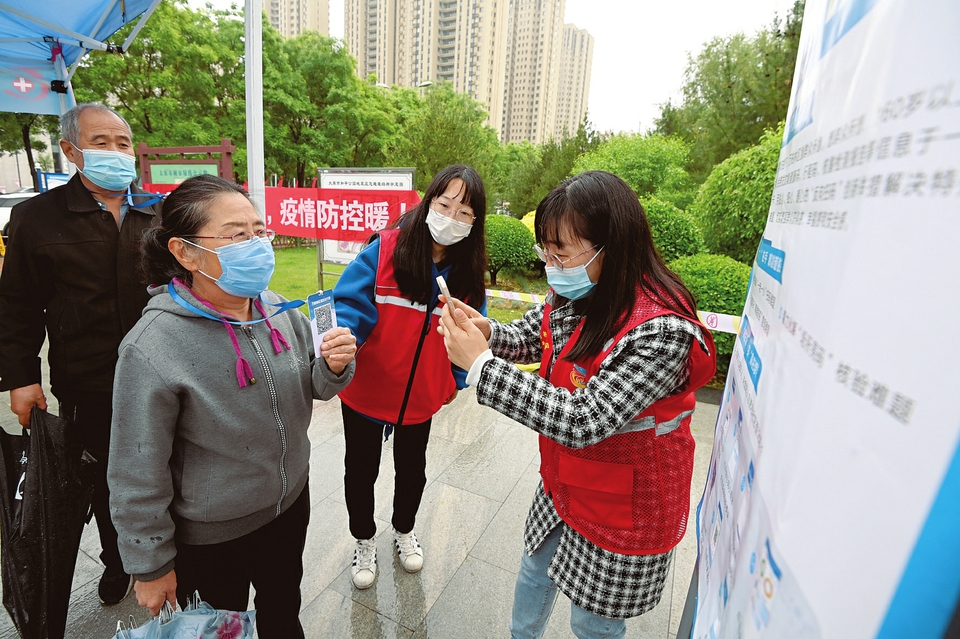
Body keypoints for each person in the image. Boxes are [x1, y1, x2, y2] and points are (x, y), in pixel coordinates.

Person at [438, 171, 717, 639]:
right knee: (534, 570)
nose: (551, 265)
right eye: (545, 252)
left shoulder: (662, 331)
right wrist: (488, 333)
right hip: (566, 479)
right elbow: (535, 336)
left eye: (561, 253)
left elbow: (585, 419)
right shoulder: (580, 288)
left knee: (592, 621)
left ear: (613, 246)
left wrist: (482, 367)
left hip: (625, 505)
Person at [106, 174, 356, 637]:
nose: (257, 245)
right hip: (212, 535)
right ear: (184, 252)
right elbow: (135, 469)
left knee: (283, 610)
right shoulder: (152, 347)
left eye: (259, 232)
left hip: (288, 506)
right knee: (222, 627)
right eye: (237, 235)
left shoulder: (278, 310)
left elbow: (317, 386)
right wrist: (150, 563)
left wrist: (335, 366)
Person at [0, 102, 164, 605]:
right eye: (101, 142)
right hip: (88, 380)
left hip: (164, 372)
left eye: (123, 143)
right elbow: (17, 305)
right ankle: (120, 561)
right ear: (71, 151)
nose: (116, 151)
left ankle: (168, 555)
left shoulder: (158, 213)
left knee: (167, 466)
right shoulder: (37, 218)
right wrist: (21, 377)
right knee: (107, 477)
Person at [333, 164, 488, 589]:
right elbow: (348, 306)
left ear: (474, 223)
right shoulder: (385, 250)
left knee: (412, 471)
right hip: (367, 390)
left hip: (420, 397)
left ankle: (404, 530)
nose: (452, 218)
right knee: (360, 471)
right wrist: (343, 343)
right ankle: (363, 538)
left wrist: (455, 379)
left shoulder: (468, 275)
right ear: (428, 202)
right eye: (445, 205)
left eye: (464, 213)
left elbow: (472, 333)